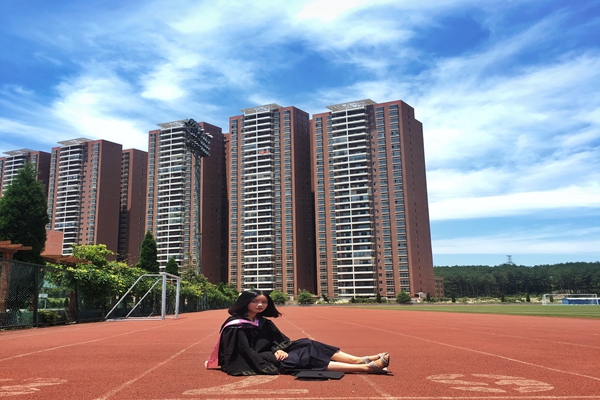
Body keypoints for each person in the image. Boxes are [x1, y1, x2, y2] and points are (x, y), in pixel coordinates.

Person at [205, 290, 390, 376]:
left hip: (272, 353)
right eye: (255, 301)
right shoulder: (235, 325)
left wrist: (278, 349)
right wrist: (272, 355)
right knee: (301, 358)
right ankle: (366, 368)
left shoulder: (262, 321)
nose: (260, 305)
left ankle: (359, 359)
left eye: (264, 302)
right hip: (254, 358)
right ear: (245, 302)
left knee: (308, 344)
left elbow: (278, 339)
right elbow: (242, 351)